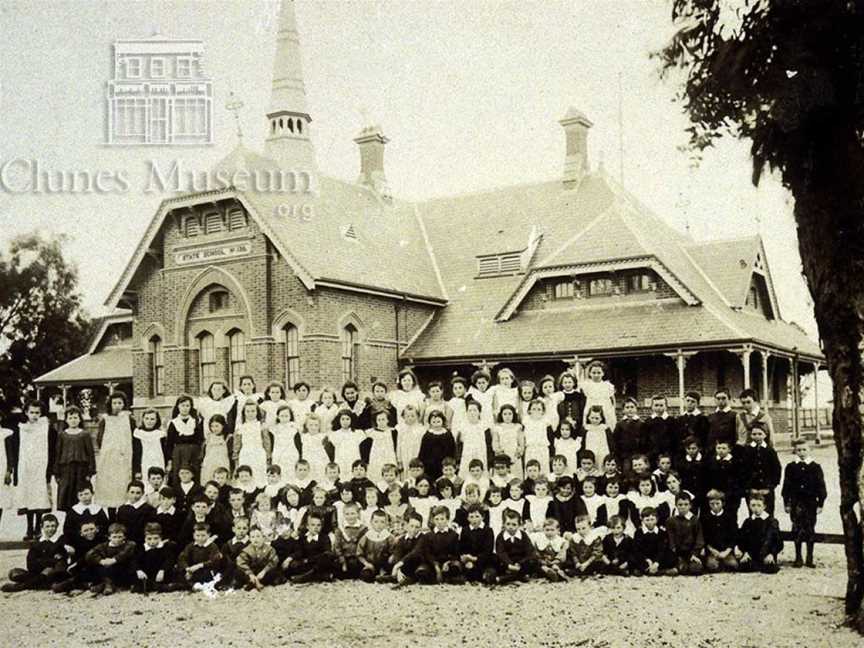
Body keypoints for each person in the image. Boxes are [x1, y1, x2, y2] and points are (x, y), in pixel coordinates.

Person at [14, 400, 56, 539]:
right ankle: (29, 528)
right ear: (26, 412)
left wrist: (49, 470)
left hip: (41, 468)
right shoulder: (21, 428)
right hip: (25, 468)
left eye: (37, 413)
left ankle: (38, 527)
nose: (34, 415)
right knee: (27, 497)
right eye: (31, 412)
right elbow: (16, 449)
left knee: (39, 497)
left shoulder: (47, 428)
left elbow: (52, 450)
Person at [782, 438, 827, 568]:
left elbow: (821, 486)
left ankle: (809, 558)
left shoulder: (815, 467)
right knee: (796, 529)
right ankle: (798, 557)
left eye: (804, 449)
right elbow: (786, 486)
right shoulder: (790, 467)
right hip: (796, 503)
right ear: (795, 451)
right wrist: (787, 503)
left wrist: (820, 503)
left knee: (810, 529)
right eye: (798, 450)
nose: (801, 452)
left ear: (809, 450)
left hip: (810, 503)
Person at [1, 514, 66, 592]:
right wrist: (50, 561)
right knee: (13, 573)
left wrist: (41, 561)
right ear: (42, 526)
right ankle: (38, 583)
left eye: (53, 526)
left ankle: (21, 586)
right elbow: (30, 564)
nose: (51, 529)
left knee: (49, 571)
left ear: (57, 526)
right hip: (36, 572)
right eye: (47, 526)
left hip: (52, 574)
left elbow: (61, 562)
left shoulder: (60, 541)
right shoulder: (37, 543)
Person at [54, 406, 96, 512]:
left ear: (80, 419)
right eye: (70, 418)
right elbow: (58, 453)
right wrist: (57, 472)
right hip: (66, 469)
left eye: (76, 418)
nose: (73, 420)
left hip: (81, 469)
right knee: (67, 493)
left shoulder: (84, 434)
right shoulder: (62, 435)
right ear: (66, 420)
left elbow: (90, 453)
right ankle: (69, 518)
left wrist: (90, 471)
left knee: (80, 492)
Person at [85, 522, 137, 595]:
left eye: (120, 537)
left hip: (123, 570)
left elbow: (126, 552)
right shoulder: (104, 545)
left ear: (124, 536)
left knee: (130, 564)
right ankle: (107, 584)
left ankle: (108, 585)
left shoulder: (129, 544)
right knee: (98, 567)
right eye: (114, 537)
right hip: (109, 571)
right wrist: (101, 561)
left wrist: (114, 560)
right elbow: (89, 554)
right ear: (109, 537)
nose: (117, 539)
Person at [740, 422, 781, 514]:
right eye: (754, 434)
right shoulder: (746, 450)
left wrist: (770, 486)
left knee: (768, 513)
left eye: (760, 434)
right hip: (752, 489)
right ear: (750, 435)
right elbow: (743, 470)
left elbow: (776, 470)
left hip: (766, 488)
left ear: (765, 435)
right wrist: (747, 487)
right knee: (753, 513)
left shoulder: (770, 451)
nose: (757, 436)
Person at [737, 494, 783, 574]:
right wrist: (744, 552)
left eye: (759, 505)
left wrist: (771, 553)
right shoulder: (748, 521)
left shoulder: (771, 521)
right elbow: (742, 539)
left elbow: (778, 542)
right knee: (742, 567)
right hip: (752, 555)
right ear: (749, 506)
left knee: (770, 568)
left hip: (767, 555)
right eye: (753, 505)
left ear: (764, 506)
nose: (756, 508)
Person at [165, 394, 203, 485]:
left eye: (187, 405)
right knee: (178, 476)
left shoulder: (196, 421)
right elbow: (169, 443)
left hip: (194, 453)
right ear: (178, 407)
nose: (185, 408)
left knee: (194, 475)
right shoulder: (173, 423)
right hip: (179, 454)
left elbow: (200, 439)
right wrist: (169, 461)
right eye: (183, 405)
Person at [286, 514, 335, 583]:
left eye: (318, 525)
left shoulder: (324, 537)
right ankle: (318, 576)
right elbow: (299, 552)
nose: (316, 527)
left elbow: (327, 552)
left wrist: (309, 560)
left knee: (326, 558)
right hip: (307, 564)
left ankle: (305, 577)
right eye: (313, 525)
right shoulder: (303, 538)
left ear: (321, 527)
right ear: (307, 526)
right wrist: (290, 558)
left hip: (318, 562)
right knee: (293, 565)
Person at [233, 399, 270, 488]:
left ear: (257, 412)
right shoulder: (240, 427)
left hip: (259, 453)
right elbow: (236, 445)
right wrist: (236, 460)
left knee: (259, 476)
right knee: (246, 476)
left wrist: (268, 457)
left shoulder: (261, 426)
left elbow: (267, 442)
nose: (250, 413)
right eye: (248, 411)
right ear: (244, 412)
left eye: (253, 411)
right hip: (245, 454)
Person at [131, 522, 176, 593]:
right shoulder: (141, 548)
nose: (152, 542)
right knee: (138, 584)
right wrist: (138, 570)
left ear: (160, 538)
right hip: (146, 574)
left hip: (160, 574)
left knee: (173, 573)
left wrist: (162, 570)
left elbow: (169, 560)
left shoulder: (165, 547)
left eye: (156, 538)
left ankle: (159, 585)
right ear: (145, 539)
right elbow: (134, 561)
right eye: (149, 539)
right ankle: (154, 586)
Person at [495, 509, 538, 584]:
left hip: (521, 562)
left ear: (519, 525)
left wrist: (520, 563)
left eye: (514, 524)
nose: (510, 527)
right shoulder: (501, 536)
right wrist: (509, 564)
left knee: (533, 560)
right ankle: (521, 577)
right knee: (495, 560)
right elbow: (501, 552)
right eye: (508, 524)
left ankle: (507, 578)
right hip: (507, 563)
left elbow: (529, 550)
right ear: (504, 524)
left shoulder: (523, 535)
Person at [175, 522, 223, 589]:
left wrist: (199, 566)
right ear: (193, 535)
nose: (200, 538)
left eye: (203, 535)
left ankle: (202, 585)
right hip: (192, 570)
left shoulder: (212, 546)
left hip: (205, 569)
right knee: (178, 571)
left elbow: (213, 561)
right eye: (197, 535)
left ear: (209, 535)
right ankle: (193, 585)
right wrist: (187, 569)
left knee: (208, 574)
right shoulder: (191, 546)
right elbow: (182, 558)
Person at [666, 493, 704, 575]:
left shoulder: (695, 520)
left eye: (686, 504)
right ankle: (679, 565)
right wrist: (674, 551)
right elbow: (671, 539)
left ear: (690, 506)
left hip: (691, 552)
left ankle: (682, 566)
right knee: (680, 567)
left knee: (696, 569)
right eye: (680, 504)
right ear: (676, 505)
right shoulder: (671, 520)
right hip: (678, 552)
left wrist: (694, 554)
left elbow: (699, 539)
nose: (683, 507)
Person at [457, 504, 496, 584]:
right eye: (471, 517)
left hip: (484, 560)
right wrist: (466, 558)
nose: (474, 520)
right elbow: (462, 547)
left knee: (491, 570)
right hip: (469, 559)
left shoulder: (488, 530)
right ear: (467, 518)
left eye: (477, 516)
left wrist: (475, 558)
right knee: (469, 568)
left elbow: (488, 550)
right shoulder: (465, 530)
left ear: (483, 517)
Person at [701, 489, 739, 572]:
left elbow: (734, 536)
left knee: (733, 565)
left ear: (723, 503)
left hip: (726, 550)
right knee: (712, 566)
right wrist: (712, 550)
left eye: (717, 503)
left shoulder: (729, 517)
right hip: (712, 551)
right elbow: (704, 537)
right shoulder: (705, 518)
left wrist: (726, 551)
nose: (715, 506)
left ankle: (724, 562)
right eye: (712, 504)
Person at [631, 507, 677, 576]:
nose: (650, 522)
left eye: (652, 519)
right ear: (642, 520)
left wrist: (656, 563)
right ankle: (656, 571)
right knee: (633, 556)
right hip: (645, 557)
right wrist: (647, 560)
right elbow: (637, 549)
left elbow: (662, 549)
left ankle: (650, 570)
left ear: (657, 520)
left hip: (658, 557)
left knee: (671, 555)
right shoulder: (638, 533)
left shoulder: (662, 533)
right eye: (647, 520)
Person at [704, 440, 743, 518]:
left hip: (730, 495)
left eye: (724, 448)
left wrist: (729, 493)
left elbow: (738, 480)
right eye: (718, 448)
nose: (721, 450)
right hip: (714, 494)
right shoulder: (711, 461)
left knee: (730, 516)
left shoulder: (735, 462)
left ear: (729, 449)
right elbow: (706, 478)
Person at [356, 509, 396, 582]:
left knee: (389, 569)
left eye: (382, 522)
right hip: (370, 564)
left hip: (384, 563)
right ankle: (376, 575)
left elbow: (394, 551)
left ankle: (384, 575)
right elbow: (359, 553)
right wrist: (366, 563)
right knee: (366, 576)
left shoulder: (389, 537)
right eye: (376, 522)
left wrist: (391, 557)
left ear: (386, 523)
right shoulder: (367, 536)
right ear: (371, 522)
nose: (379, 525)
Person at [418, 411, 456, 481]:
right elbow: (423, 451)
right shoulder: (427, 435)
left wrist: (452, 461)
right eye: (434, 422)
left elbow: (452, 449)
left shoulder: (447, 434)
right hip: (430, 464)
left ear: (443, 421)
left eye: (438, 421)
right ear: (430, 422)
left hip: (445, 464)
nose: (436, 424)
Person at [333, 503, 367, 579]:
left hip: (357, 558)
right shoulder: (340, 530)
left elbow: (364, 546)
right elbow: (337, 546)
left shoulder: (363, 529)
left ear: (358, 514)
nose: (350, 516)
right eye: (347, 514)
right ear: (344, 515)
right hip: (344, 558)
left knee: (355, 567)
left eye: (352, 513)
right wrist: (342, 560)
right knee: (335, 566)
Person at [132, 408, 166, 484]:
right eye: (146, 418)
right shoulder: (138, 433)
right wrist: (137, 470)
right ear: (143, 419)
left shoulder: (160, 433)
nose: (149, 421)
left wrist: (167, 465)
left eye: (152, 419)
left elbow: (165, 451)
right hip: (144, 462)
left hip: (158, 461)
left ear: (157, 420)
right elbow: (136, 452)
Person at [116, 480, 154, 545]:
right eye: (132, 492)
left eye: (138, 493)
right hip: (125, 543)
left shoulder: (148, 509)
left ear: (143, 493)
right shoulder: (122, 509)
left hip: (142, 542)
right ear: (127, 492)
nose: (134, 496)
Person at [329, 409, 363, 480]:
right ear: (339, 420)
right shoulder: (334, 435)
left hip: (353, 457)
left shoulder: (358, 433)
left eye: (347, 419)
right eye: (343, 419)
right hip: (340, 459)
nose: (345, 421)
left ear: (351, 420)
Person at [366, 410, 398, 483]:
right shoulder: (371, 433)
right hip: (376, 457)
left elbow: (396, 445)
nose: (381, 421)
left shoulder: (393, 431)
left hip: (389, 456)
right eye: (379, 420)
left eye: (383, 419)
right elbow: (367, 448)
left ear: (387, 420)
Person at [581, 361, 616, 429]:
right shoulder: (586, 385)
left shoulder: (608, 386)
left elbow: (613, 400)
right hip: (591, 411)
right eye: (594, 373)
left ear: (603, 373)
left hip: (606, 410)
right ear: (590, 373)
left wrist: (612, 412)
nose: (596, 375)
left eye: (599, 373)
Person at [643, 395, 677, 466]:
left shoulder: (671, 421)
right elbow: (645, 438)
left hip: (668, 453)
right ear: (652, 407)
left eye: (661, 405)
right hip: (652, 454)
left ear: (666, 406)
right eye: (656, 405)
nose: (659, 408)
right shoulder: (648, 421)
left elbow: (674, 438)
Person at [612, 397, 642, 474]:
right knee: (626, 473)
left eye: (632, 407)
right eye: (627, 407)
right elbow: (615, 440)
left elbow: (644, 440)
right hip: (624, 455)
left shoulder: (641, 424)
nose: (630, 409)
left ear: (636, 409)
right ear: (623, 410)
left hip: (638, 454)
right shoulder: (620, 424)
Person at [200, 413, 231, 486]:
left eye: (217, 426)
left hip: (222, 464)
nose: (214, 429)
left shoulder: (227, 438)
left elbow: (230, 453)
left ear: (223, 426)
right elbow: (204, 452)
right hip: (209, 465)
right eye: (212, 426)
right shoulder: (208, 438)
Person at [219, 516, 250, 589]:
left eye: (244, 528)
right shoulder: (229, 543)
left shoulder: (250, 543)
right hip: (230, 568)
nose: (241, 531)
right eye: (239, 528)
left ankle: (238, 582)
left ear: (248, 529)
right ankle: (227, 581)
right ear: (233, 529)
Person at [522, 399, 552, 475]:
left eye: (539, 409)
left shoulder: (545, 421)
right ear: (529, 411)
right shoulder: (526, 421)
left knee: (543, 469)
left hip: (542, 448)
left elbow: (550, 437)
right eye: (534, 409)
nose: (536, 411)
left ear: (543, 411)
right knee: (530, 469)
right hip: (531, 448)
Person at [535, 517, 569, 582]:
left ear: (557, 530)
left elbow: (562, 554)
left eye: (552, 530)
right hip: (543, 562)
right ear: (543, 530)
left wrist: (555, 561)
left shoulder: (561, 541)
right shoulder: (539, 541)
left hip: (556, 561)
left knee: (556, 566)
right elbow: (536, 553)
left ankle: (557, 571)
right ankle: (549, 571)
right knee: (540, 567)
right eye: (547, 530)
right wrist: (541, 560)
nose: (549, 532)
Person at [395, 404, 426, 477]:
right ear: (403, 417)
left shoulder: (421, 429)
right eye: (407, 416)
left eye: (413, 416)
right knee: (405, 471)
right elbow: (398, 444)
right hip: (404, 453)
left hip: (417, 452)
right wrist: (399, 459)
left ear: (417, 416)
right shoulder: (400, 428)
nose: (410, 418)